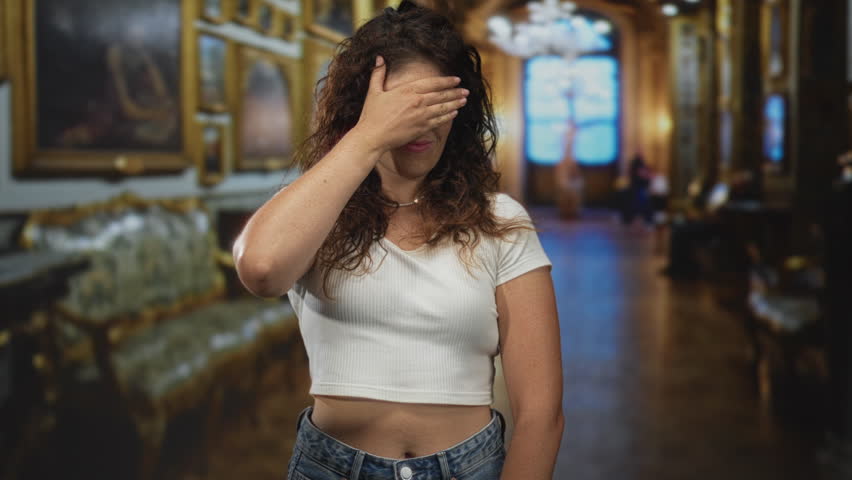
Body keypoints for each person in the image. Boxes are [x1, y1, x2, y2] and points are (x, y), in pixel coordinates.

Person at [232, 2, 565, 479]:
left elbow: (541, 414)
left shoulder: (500, 220)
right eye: (403, 107)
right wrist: (369, 136)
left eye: (437, 105)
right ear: (362, 109)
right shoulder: (316, 211)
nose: (420, 124)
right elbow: (261, 270)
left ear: (461, 111)